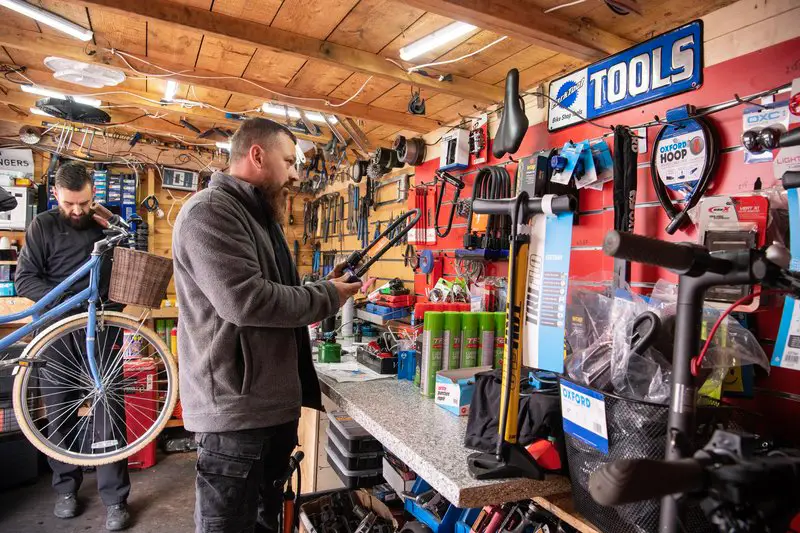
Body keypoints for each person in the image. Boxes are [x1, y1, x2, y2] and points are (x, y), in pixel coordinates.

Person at [173, 118, 362, 533]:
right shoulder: (209, 213)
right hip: (235, 416)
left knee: (266, 523)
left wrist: (323, 284)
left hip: (267, 408)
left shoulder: (260, 219)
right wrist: (328, 296)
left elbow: (276, 290)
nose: (295, 173)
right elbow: (247, 300)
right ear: (257, 155)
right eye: (289, 161)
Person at [15, 162, 131, 531]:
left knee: (109, 412)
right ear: (55, 196)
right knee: (59, 409)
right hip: (58, 332)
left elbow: (125, 271)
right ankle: (66, 488)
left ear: (92, 194)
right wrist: (67, 302)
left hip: (103, 330)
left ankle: (116, 500)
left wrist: (119, 235)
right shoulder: (43, 226)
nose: (77, 211)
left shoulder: (105, 223)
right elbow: (25, 280)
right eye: (69, 204)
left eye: (83, 202)